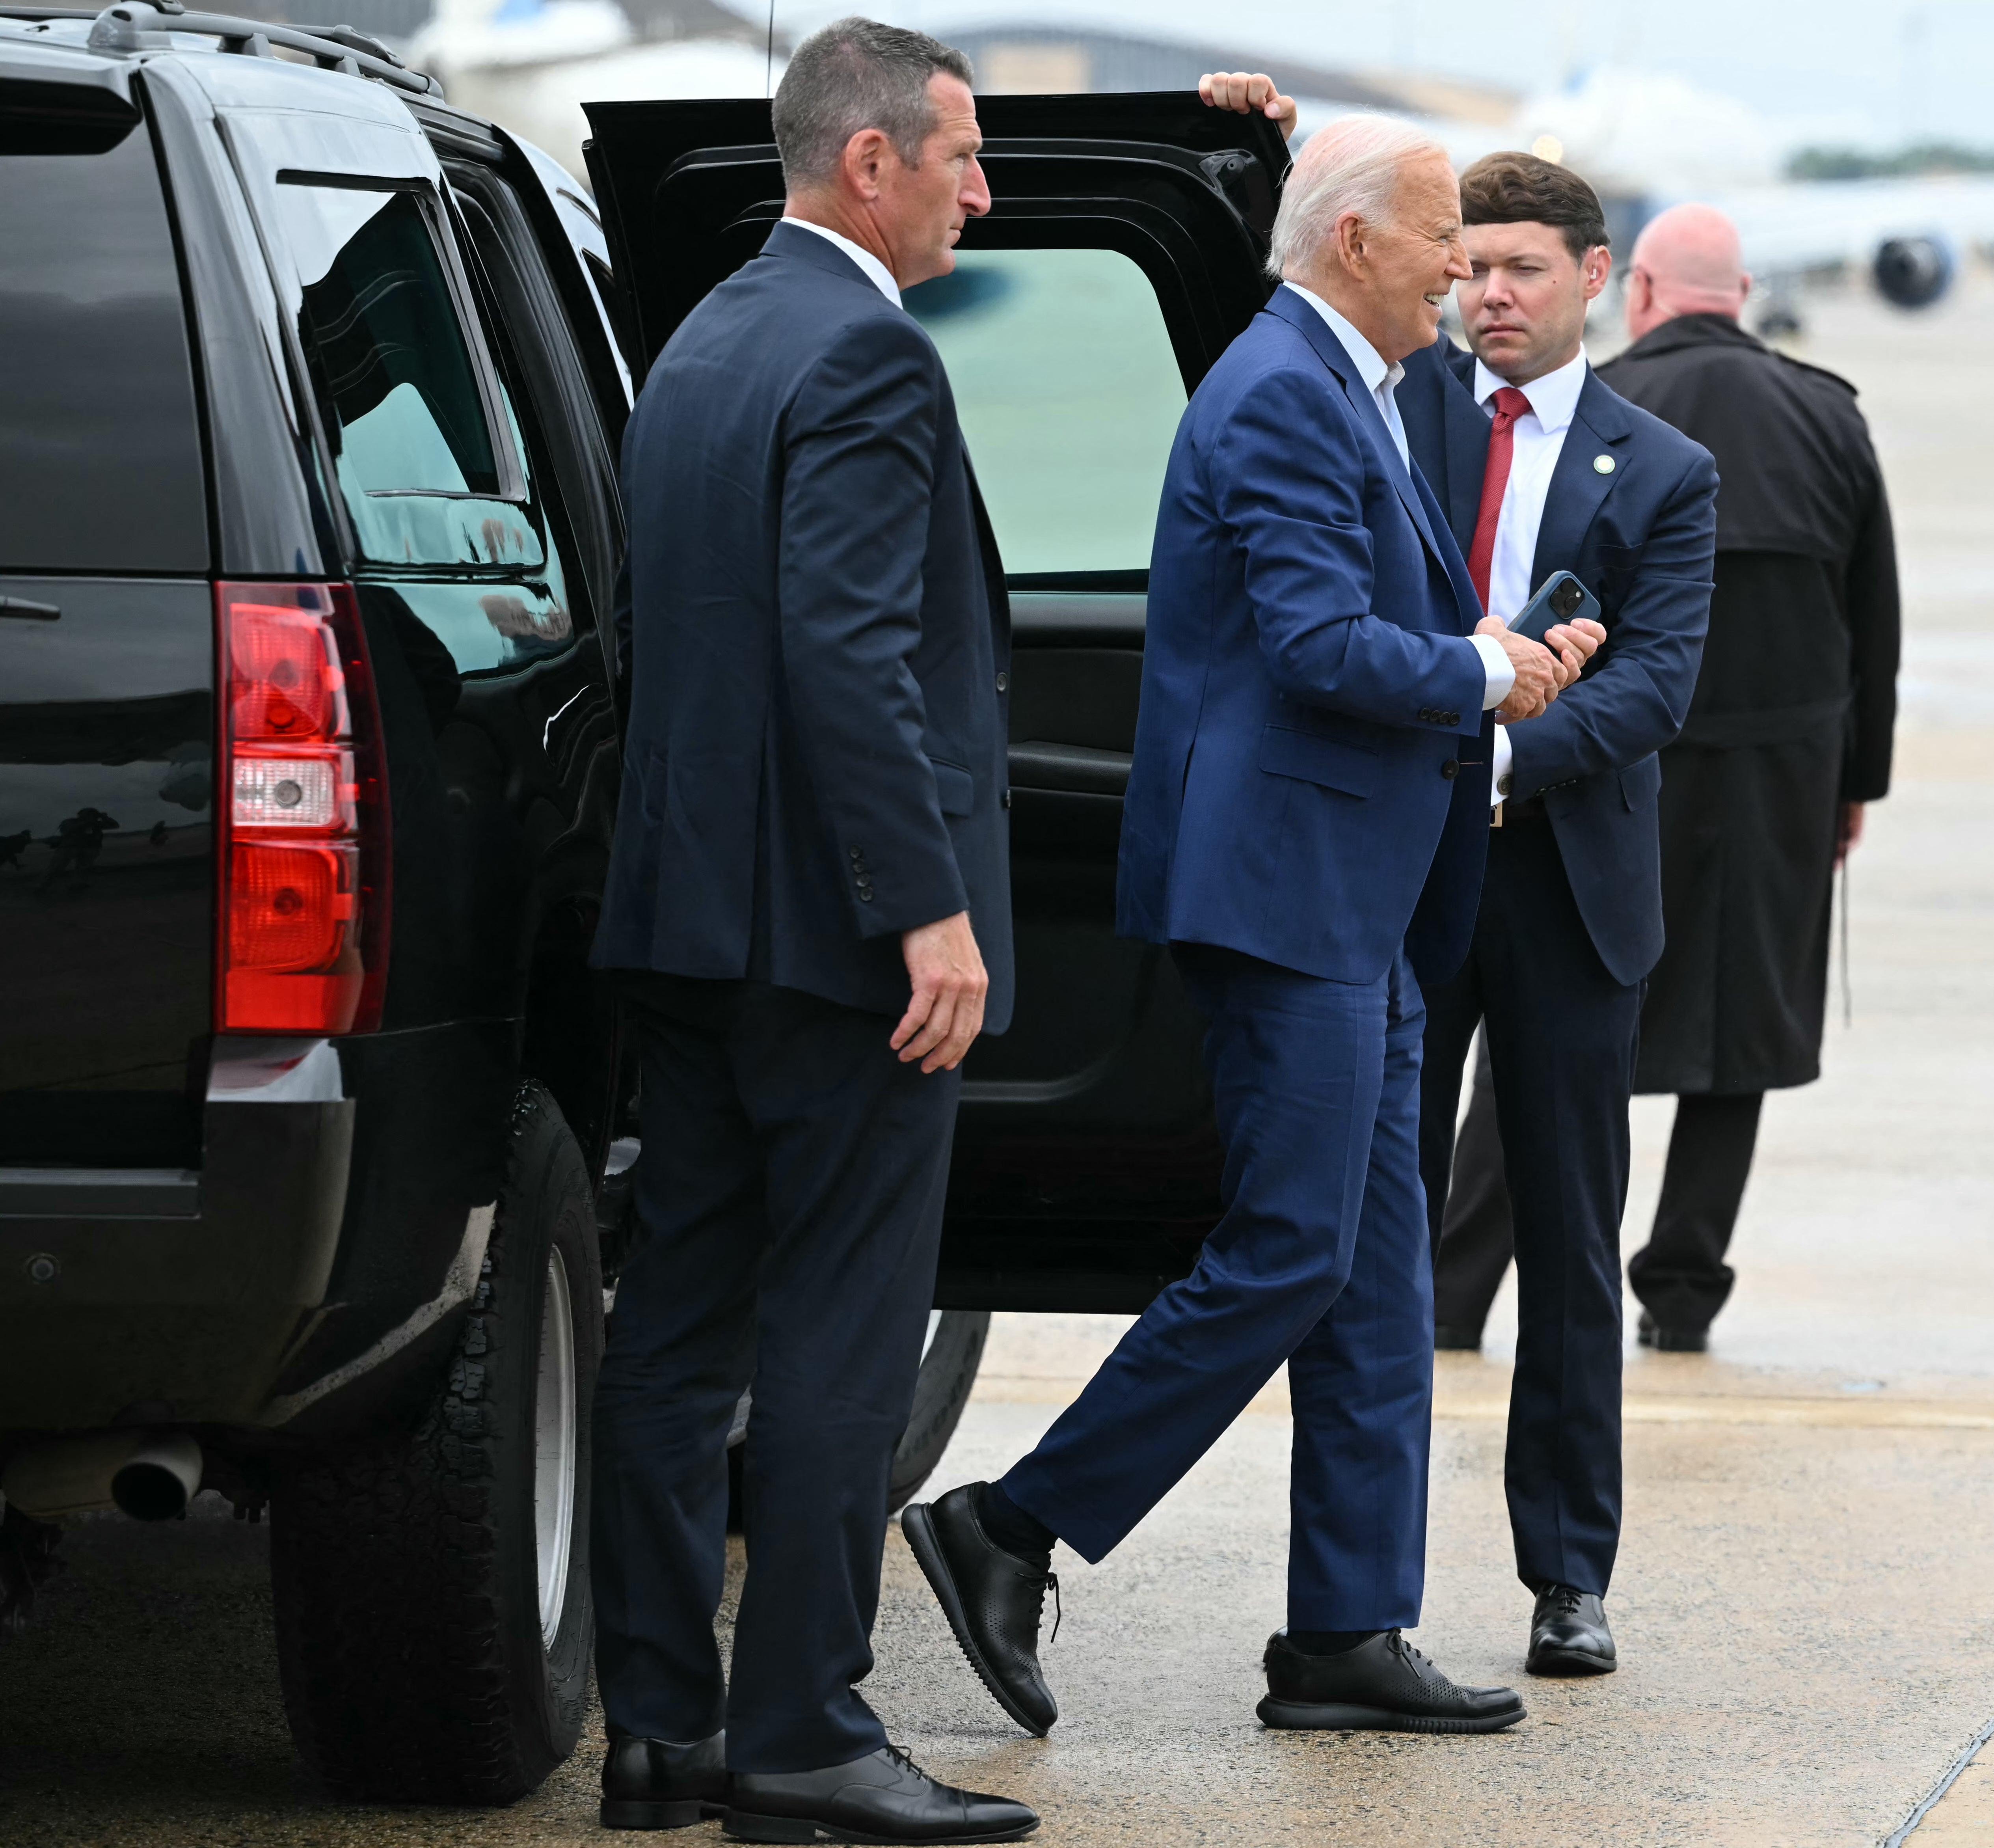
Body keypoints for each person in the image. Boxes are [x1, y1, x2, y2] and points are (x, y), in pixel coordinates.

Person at [901, 111, 1601, 1740]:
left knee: (1368, 1272)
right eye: (1441, 236)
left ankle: (1344, 1628)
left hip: (1353, 894)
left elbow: (1358, 622)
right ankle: (1008, 1522)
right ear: (1358, 245)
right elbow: (1313, 645)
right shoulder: (1281, 391)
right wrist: (1486, 671)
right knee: (1290, 1246)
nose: (1459, 266)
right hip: (1290, 898)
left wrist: (1485, 655)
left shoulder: (1333, 374)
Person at [585, 21, 1035, 1844]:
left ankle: (658, 1731)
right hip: (836, 944)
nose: (980, 192)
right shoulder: (862, 351)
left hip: (689, 926)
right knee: (847, 1327)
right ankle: (806, 1731)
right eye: (961, 159)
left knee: (676, 1330)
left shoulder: (704, 336)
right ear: (869, 164)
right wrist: (925, 906)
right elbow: (849, 654)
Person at [1388, 151, 1716, 1678]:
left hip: (1562, 874)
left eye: (1520, 267)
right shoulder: (1399, 408)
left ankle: (1567, 1573)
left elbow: (1653, 684)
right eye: (1470, 266)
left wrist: (1499, 748)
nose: (1488, 294)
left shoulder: (1661, 470)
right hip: (1402, 865)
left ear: (1598, 278)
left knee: (1573, 1240)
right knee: (1373, 1217)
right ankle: (1357, 1582)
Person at [1592, 203, 1902, 1354]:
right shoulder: (1831, 413)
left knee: (1571, 1020)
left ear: (1643, 292)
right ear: (1746, 289)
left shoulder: (1606, 403)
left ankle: (1463, 1285)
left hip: (1623, 760)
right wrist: (1855, 784)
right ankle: (1682, 1290)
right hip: (1790, 764)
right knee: (1742, 1034)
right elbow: (1875, 620)